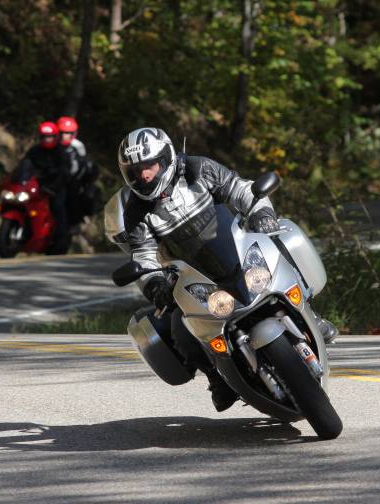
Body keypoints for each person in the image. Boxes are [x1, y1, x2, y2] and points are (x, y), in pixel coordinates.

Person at [104, 127, 338, 412]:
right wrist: (154, 285)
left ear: (166, 158)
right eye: (136, 171)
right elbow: (143, 256)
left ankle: (308, 310)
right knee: (181, 328)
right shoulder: (136, 213)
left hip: (234, 250)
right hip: (190, 277)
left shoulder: (198, 169)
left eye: (149, 166)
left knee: (281, 237)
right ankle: (217, 378)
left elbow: (240, 189)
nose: (144, 176)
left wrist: (262, 213)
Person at [13, 121, 70, 245]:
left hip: (55, 187)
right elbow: (24, 165)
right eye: (44, 136)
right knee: (20, 202)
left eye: (50, 137)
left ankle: (61, 237)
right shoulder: (34, 151)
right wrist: (17, 180)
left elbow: (64, 173)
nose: (47, 139)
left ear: (55, 137)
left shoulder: (61, 153)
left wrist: (53, 188)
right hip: (36, 186)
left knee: (57, 207)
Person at [56, 116, 100, 224]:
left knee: (71, 200)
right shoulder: (52, 143)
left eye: (68, 133)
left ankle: (73, 223)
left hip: (72, 181)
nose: (64, 136)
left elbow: (81, 166)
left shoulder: (77, 146)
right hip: (54, 178)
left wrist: (73, 179)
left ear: (74, 133)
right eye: (62, 132)